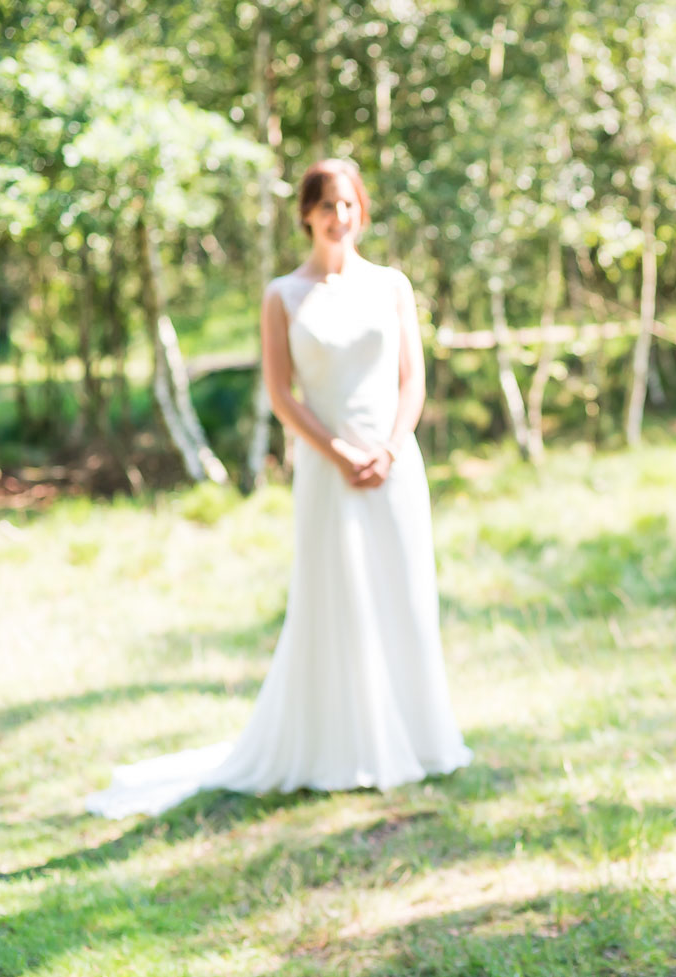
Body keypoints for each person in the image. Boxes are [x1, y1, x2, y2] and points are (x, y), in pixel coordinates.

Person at [87, 158, 472, 818]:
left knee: (402, 595)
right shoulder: (283, 295)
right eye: (326, 205)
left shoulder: (393, 286)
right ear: (307, 214)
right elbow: (280, 393)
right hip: (328, 467)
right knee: (337, 598)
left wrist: (386, 448)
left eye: (348, 204)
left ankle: (419, 739)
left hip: (393, 462)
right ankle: (340, 746)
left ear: (362, 211)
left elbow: (413, 378)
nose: (338, 217)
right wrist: (341, 450)